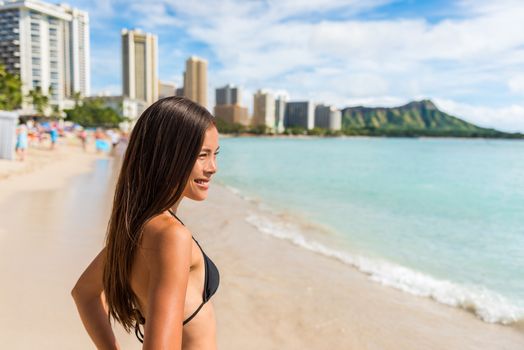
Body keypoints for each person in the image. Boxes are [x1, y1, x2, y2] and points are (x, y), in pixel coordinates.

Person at [72, 97, 220, 349]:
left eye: (215, 155)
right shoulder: (171, 236)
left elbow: (84, 293)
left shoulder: (136, 230)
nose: (213, 167)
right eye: (202, 155)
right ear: (168, 156)